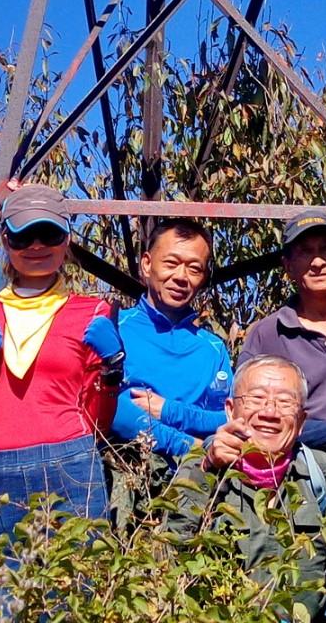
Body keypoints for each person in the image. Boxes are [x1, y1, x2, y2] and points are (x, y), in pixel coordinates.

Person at [0, 184, 125, 618]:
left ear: (66, 239)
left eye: (49, 235)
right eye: (23, 236)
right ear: (5, 240)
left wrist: (113, 369)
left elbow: (99, 425)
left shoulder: (95, 311)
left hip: (73, 468)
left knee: (74, 606)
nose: (37, 246)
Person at [167, 357, 326, 623]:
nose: (269, 412)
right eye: (256, 398)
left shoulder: (320, 473)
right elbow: (167, 557)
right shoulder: (200, 468)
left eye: (285, 402)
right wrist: (207, 469)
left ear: (301, 421)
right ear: (231, 410)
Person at [110, 217, 234, 522]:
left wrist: (168, 411)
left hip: (195, 489)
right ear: (147, 264)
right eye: (171, 263)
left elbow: (229, 419)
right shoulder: (113, 328)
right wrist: (187, 443)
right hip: (121, 480)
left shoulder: (213, 348)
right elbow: (108, 409)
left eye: (194, 268)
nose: (181, 277)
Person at [239, 211, 326, 462]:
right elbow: (246, 415)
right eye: (305, 252)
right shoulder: (268, 334)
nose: (318, 262)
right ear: (288, 266)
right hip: (294, 480)